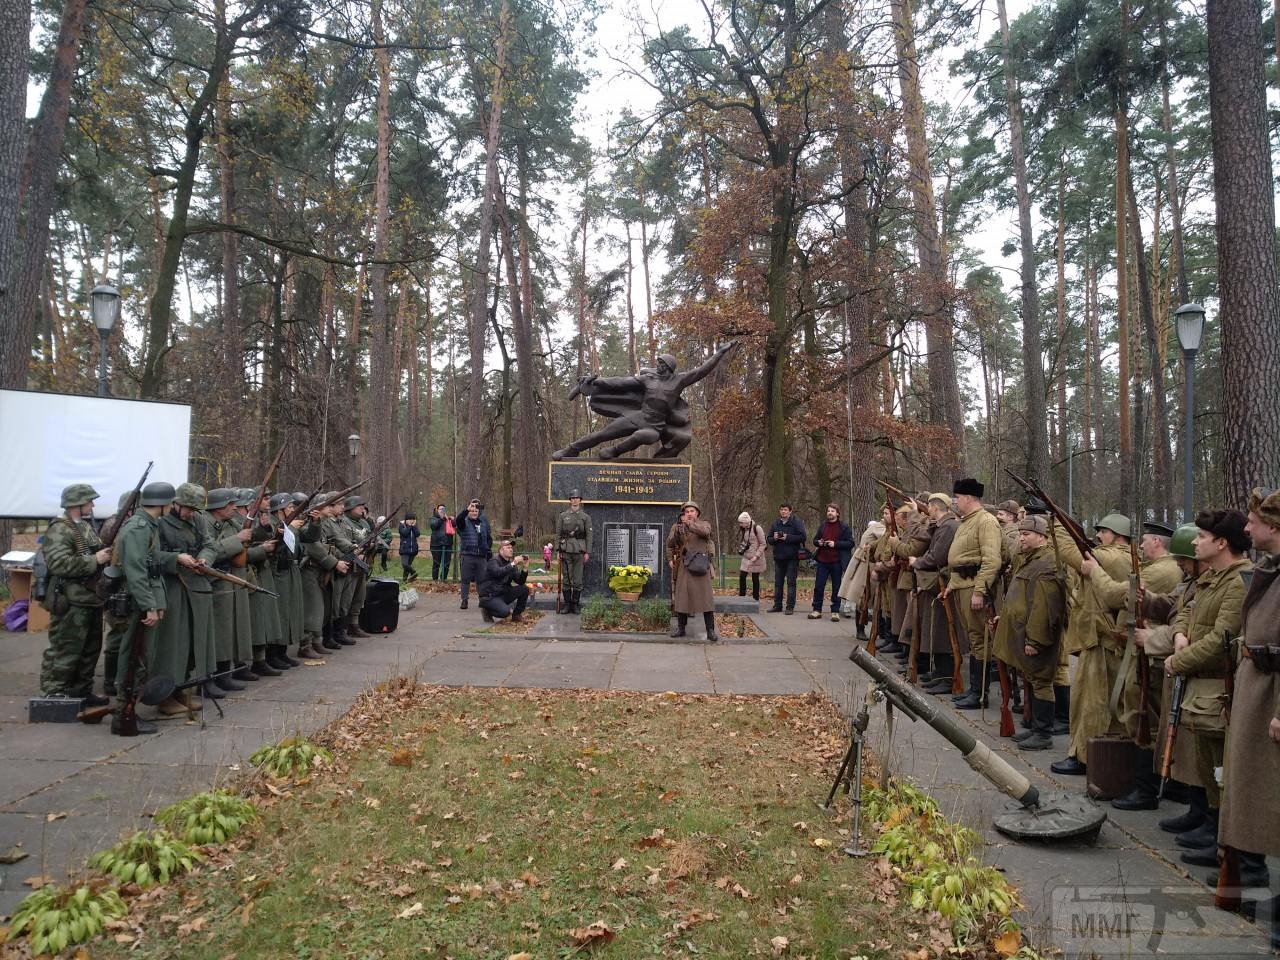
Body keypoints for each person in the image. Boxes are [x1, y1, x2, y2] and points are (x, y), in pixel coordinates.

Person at [1163, 509, 1250, 878]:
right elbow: (1185, 612)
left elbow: (1222, 639)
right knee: (1207, 764)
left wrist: (1179, 659)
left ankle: (1224, 839)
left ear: (1222, 542)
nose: (1195, 541)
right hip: (1200, 686)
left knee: (1221, 769)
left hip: (1219, 685)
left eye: (1201, 536)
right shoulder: (1212, 578)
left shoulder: (1238, 581)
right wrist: (1179, 635)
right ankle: (1212, 828)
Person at [1086, 520, 1183, 810]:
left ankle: (1146, 789)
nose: (1139, 545)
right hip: (1143, 648)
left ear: (1158, 543)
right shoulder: (1158, 568)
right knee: (1140, 716)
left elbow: (1119, 595)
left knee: (1143, 719)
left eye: (1145, 540)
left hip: (1150, 652)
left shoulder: (1162, 570)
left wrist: (1095, 572)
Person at [1221, 488, 1280, 927]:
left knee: (1270, 799)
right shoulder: (1269, 570)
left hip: (1271, 697)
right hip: (1255, 690)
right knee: (1251, 797)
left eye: (1254, 521)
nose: (1246, 528)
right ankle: (1252, 882)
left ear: (1274, 527)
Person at [112, 482, 198, 736]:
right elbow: (137, 572)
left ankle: (128, 711)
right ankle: (123, 715)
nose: (172, 506)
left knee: (140, 658)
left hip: (145, 600)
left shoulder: (148, 525)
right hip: (137, 602)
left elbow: (153, 561)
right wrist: (150, 605)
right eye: (170, 502)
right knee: (132, 659)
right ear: (161, 503)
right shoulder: (138, 528)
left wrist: (158, 601)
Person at [1050, 514, 1132, 776]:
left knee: (1092, 703)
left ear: (1118, 536)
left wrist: (1058, 523)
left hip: (1101, 641)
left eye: (1104, 532)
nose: (1098, 537)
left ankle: (1088, 757)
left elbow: (1067, 551)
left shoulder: (1115, 557)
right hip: (1095, 638)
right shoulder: (1112, 555)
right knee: (1086, 700)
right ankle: (1085, 753)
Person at [993, 515, 1067, 750]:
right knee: (1034, 680)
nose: (1021, 538)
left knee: (1042, 681)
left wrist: (1035, 640)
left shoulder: (1047, 564)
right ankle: (1036, 728)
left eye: (1026, 534)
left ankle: (1043, 733)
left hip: (1036, 635)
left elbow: (1043, 608)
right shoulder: (1030, 559)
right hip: (1021, 631)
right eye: (1021, 533)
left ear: (1042, 537)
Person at [38, 483, 112, 704]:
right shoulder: (60, 529)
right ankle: (54, 692)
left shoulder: (84, 527)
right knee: (66, 648)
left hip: (90, 598)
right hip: (70, 600)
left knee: (90, 650)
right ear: (77, 504)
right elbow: (58, 563)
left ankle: (81, 691)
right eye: (89, 501)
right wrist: (94, 560)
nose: (93, 504)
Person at [151, 482, 217, 716]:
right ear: (176, 503)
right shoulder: (160, 523)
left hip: (196, 587)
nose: (190, 513)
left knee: (191, 642)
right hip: (172, 588)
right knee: (172, 645)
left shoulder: (197, 520)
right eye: (187, 508)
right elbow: (150, 554)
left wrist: (204, 559)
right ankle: (165, 696)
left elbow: (210, 544)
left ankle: (181, 689)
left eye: (193, 509)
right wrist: (176, 558)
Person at [945, 478, 1003, 710]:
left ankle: (980, 694)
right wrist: (951, 583)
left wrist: (980, 591)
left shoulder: (986, 521)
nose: (956, 502)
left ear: (969, 498)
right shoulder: (967, 521)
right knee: (973, 638)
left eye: (958, 497)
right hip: (962, 584)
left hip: (974, 587)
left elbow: (991, 560)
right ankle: (974, 690)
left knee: (981, 640)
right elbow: (959, 559)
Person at [910, 494, 961, 693]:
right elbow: (927, 537)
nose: (928, 510)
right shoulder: (943, 526)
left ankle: (947, 677)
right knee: (937, 631)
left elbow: (937, 556)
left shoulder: (948, 527)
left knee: (943, 633)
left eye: (929, 507)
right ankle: (941, 674)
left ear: (934, 507)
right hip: (938, 582)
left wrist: (917, 563)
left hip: (943, 582)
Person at [667, 501, 718, 641]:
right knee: (682, 599)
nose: (689, 514)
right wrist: (670, 558)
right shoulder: (678, 527)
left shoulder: (704, 524)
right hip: (685, 566)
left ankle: (710, 630)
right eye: (686, 511)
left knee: (706, 600)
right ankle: (681, 628)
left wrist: (690, 525)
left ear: (697, 513)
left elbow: (706, 533)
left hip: (700, 565)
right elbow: (670, 544)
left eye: (692, 511)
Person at [838, 516, 885, 638]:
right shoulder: (880, 527)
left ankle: (874, 630)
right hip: (867, 564)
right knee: (865, 597)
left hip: (868, 563)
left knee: (870, 599)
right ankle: (862, 629)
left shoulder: (878, 526)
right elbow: (886, 540)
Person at [809, 504, 853, 622]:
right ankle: (817, 610)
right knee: (819, 586)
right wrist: (819, 542)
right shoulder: (823, 526)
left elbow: (850, 543)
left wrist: (835, 544)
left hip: (837, 561)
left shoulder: (843, 527)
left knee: (836, 587)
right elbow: (814, 540)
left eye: (832, 511)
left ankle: (835, 611)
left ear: (837, 513)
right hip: (822, 561)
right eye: (828, 511)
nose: (830, 513)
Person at [556, 490, 592, 614]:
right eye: (573, 498)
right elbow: (558, 534)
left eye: (577, 498)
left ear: (580, 500)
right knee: (566, 579)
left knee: (577, 579)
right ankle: (567, 605)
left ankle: (575, 605)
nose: (575, 500)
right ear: (570, 500)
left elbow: (589, 536)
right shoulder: (563, 515)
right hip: (565, 549)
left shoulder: (585, 517)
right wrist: (557, 550)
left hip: (579, 550)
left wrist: (587, 552)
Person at [477, 540, 531, 623]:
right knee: (505, 612)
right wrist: (513, 563)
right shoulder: (493, 561)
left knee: (524, 589)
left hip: (503, 593)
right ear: (501, 550)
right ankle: (487, 610)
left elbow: (520, 581)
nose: (511, 550)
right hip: (490, 596)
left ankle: (516, 615)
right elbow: (498, 573)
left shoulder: (510, 564)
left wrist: (525, 568)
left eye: (511, 548)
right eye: (508, 547)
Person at [767, 503, 806, 614]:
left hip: (792, 558)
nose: (783, 511)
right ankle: (777, 605)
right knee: (778, 583)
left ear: (790, 511)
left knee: (791, 582)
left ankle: (790, 607)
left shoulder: (796, 523)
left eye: (785, 510)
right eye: (781, 510)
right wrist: (774, 538)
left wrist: (787, 537)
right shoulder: (775, 523)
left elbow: (803, 537)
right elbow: (768, 539)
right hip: (779, 557)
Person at [456, 500, 493, 610]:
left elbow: (488, 538)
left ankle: (482, 600)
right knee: (465, 579)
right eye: (471, 511)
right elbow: (458, 520)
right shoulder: (464, 522)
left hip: (481, 556)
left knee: (481, 580)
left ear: (479, 512)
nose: (473, 513)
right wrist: (466, 510)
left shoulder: (483, 523)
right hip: (467, 554)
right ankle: (464, 600)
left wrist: (487, 549)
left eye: (476, 511)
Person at [736, 511, 766, 601]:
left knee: (755, 578)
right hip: (746, 557)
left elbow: (763, 544)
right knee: (742, 576)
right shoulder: (744, 529)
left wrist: (756, 556)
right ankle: (742, 597)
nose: (740, 524)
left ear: (746, 522)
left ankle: (756, 599)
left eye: (741, 522)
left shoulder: (757, 528)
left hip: (756, 558)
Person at [428, 505, 452, 580]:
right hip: (436, 545)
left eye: (443, 509)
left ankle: (443, 579)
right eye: (440, 509)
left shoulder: (448, 519)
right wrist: (440, 518)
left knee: (446, 564)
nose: (442, 510)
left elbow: (454, 525)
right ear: (437, 510)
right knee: (436, 563)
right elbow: (434, 525)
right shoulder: (433, 518)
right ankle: (435, 580)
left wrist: (448, 519)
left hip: (447, 544)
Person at [399, 512, 421, 581]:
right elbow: (404, 533)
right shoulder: (402, 525)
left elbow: (417, 534)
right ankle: (414, 573)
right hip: (404, 549)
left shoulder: (414, 526)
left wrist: (413, 526)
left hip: (413, 549)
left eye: (413, 519)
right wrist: (409, 526)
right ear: (406, 519)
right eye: (410, 519)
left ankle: (404, 580)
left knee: (407, 567)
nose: (412, 520)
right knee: (405, 564)